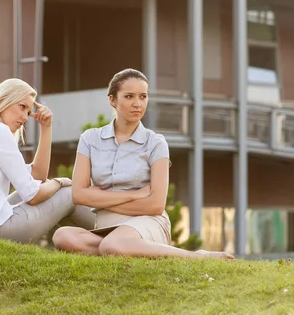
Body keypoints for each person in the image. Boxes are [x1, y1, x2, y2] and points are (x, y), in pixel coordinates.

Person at [53, 69, 235, 260]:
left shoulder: (156, 143)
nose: (137, 104)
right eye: (129, 96)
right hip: (107, 224)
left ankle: (195, 256)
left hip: (147, 222)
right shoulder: (90, 139)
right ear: (112, 100)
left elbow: (155, 205)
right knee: (63, 236)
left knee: (112, 244)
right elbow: (79, 195)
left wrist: (99, 197)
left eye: (143, 96)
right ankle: (126, 249)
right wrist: (134, 195)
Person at [0, 78, 94, 242]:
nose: (25, 117)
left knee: (53, 190)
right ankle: (115, 234)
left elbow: (37, 177)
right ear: (2, 101)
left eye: (28, 112)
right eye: (22, 107)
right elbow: (33, 195)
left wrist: (46, 127)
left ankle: (98, 243)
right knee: (70, 193)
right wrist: (61, 182)